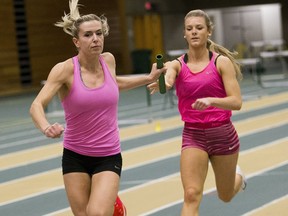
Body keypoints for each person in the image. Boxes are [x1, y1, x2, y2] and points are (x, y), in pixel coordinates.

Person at [29, 0, 165, 215]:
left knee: (97, 214)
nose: (95, 39)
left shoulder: (108, 61)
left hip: (108, 155)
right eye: (88, 35)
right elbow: (37, 104)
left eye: (99, 33)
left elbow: (114, 84)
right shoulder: (64, 70)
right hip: (75, 155)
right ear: (76, 41)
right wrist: (46, 127)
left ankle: (113, 207)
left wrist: (147, 78)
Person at [148, 9, 246, 216]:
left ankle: (239, 177)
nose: (194, 32)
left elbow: (236, 102)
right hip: (193, 135)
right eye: (189, 29)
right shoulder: (177, 64)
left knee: (225, 195)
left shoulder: (221, 62)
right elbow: (169, 77)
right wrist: (164, 83)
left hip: (222, 134)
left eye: (199, 28)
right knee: (191, 194)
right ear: (184, 33)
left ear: (208, 31)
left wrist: (211, 101)